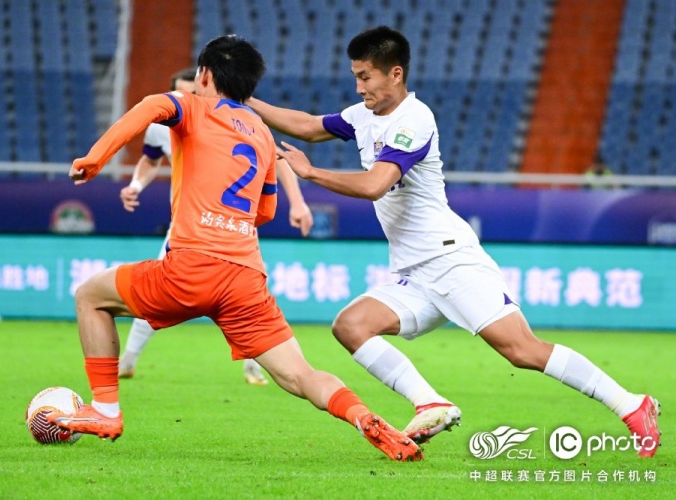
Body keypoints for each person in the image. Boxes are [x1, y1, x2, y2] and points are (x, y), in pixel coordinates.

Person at [248, 26, 661, 457]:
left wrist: (311, 173)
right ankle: (431, 403)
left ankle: (632, 404)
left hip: (450, 260)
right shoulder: (362, 115)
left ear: (395, 73)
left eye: (365, 77)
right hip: (415, 272)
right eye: (355, 77)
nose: (359, 87)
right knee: (351, 326)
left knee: (522, 350)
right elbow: (309, 126)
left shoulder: (414, 120)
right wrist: (246, 99)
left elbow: (375, 185)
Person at [46, 34, 422, 462]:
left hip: (191, 266)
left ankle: (105, 410)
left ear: (204, 75)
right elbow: (266, 211)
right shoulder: (261, 133)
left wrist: (96, 158)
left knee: (90, 296)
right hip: (244, 277)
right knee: (299, 375)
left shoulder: (190, 106)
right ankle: (364, 417)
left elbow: (149, 106)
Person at [117, 67, 314, 386]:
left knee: (250, 296)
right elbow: (150, 160)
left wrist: (298, 202)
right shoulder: (163, 123)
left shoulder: (229, 120)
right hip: (188, 227)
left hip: (231, 224)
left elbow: (276, 159)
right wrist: (136, 185)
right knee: (155, 291)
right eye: (184, 93)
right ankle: (128, 359)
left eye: (195, 91)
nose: (192, 98)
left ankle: (255, 366)